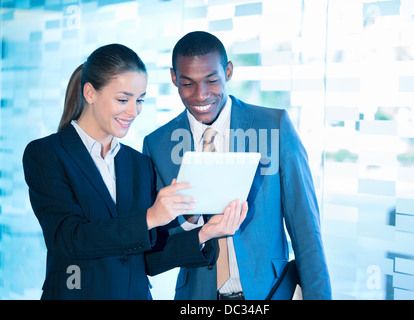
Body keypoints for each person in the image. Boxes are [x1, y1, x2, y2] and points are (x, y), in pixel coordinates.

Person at [22, 43, 247, 300]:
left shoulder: (138, 163)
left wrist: (206, 232)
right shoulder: (48, 154)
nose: (133, 111)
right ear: (90, 93)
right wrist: (151, 217)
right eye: (123, 99)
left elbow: (147, 260)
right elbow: (68, 239)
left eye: (139, 100)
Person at [142, 31, 332, 300]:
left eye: (212, 81)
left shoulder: (273, 126)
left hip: (270, 292)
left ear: (228, 71)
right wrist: (190, 220)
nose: (201, 95)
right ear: (174, 78)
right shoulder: (157, 145)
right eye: (188, 84)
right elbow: (156, 248)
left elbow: (306, 230)